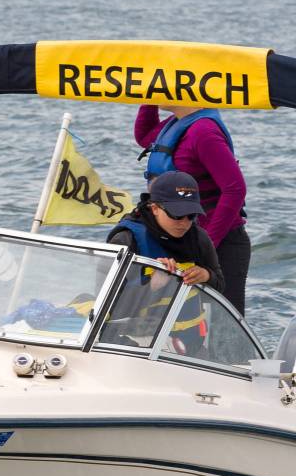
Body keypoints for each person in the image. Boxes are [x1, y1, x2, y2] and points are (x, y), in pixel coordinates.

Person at [134, 104, 249, 314]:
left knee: (223, 326)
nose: (158, 84)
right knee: (183, 320)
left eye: (164, 80)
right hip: (183, 237)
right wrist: (148, 97)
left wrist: (208, 246)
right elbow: (144, 137)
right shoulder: (176, 124)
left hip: (220, 242)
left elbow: (235, 189)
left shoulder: (204, 132)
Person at [107, 171, 225, 356]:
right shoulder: (126, 240)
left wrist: (206, 275)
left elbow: (220, 284)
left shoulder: (199, 238)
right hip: (134, 345)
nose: (184, 223)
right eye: (176, 215)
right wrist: (151, 287)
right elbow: (109, 306)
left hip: (189, 346)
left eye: (190, 215)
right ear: (154, 208)